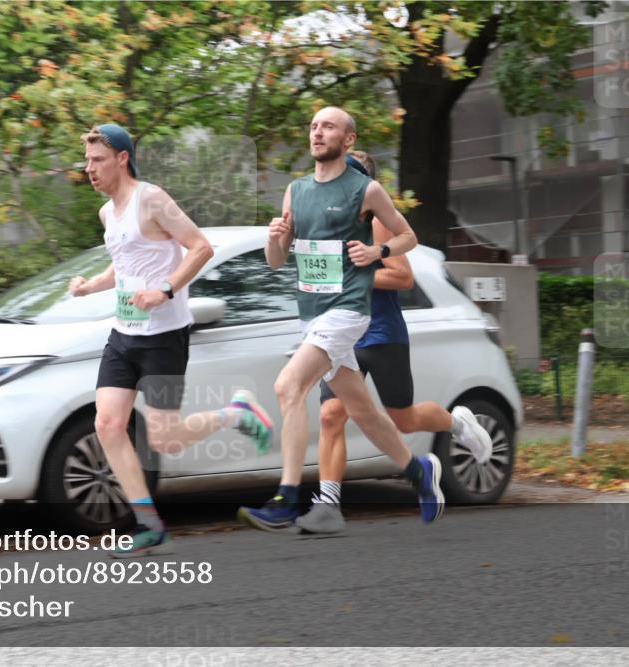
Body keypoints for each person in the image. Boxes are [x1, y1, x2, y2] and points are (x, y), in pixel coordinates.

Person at [70, 124, 273, 557]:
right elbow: (123, 265)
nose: (89, 169)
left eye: (98, 160)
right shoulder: (108, 213)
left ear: (122, 158)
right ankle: (148, 524)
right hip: (124, 335)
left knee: (164, 440)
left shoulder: (153, 199)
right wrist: (92, 286)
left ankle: (236, 413)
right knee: (107, 425)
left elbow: (200, 247)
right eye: (87, 161)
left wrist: (163, 291)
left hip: (163, 337)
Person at [238, 107, 444, 532]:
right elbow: (276, 263)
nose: (317, 132)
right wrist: (274, 240)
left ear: (347, 140)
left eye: (327, 126)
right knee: (362, 409)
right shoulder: (296, 191)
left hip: (349, 310)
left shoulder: (365, 190)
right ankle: (417, 472)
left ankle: (287, 497)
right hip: (311, 313)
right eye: (313, 126)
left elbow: (408, 236)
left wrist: (377, 253)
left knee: (288, 386)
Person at [288, 150, 494, 535]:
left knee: (402, 418)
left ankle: (456, 421)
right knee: (332, 414)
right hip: (338, 333)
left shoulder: (378, 223)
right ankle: (328, 504)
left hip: (379, 332)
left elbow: (401, 278)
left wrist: (355, 271)